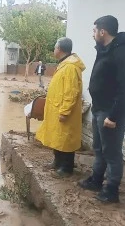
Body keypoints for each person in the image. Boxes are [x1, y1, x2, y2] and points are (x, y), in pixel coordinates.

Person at [78, 15, 125, 203]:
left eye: (94, 30)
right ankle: (96, 180)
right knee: (99, 148)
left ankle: (111, 190)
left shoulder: (124, 52)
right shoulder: (106, 49)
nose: (93, 34)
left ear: (102, 31)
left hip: (113, 112)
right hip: (100, 109)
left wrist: (113, 116)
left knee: (112, 152)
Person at [36, 37, 85, 178]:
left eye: (55, 47)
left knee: (65, 140)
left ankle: (66, 168)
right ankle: (57, 162)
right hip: (56, 108)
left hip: (63, 111)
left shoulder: (70, 67)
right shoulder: (64, 64)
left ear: (60, 49)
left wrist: (65, 111)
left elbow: (71, 92)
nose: (53, 50)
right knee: (57, 138)